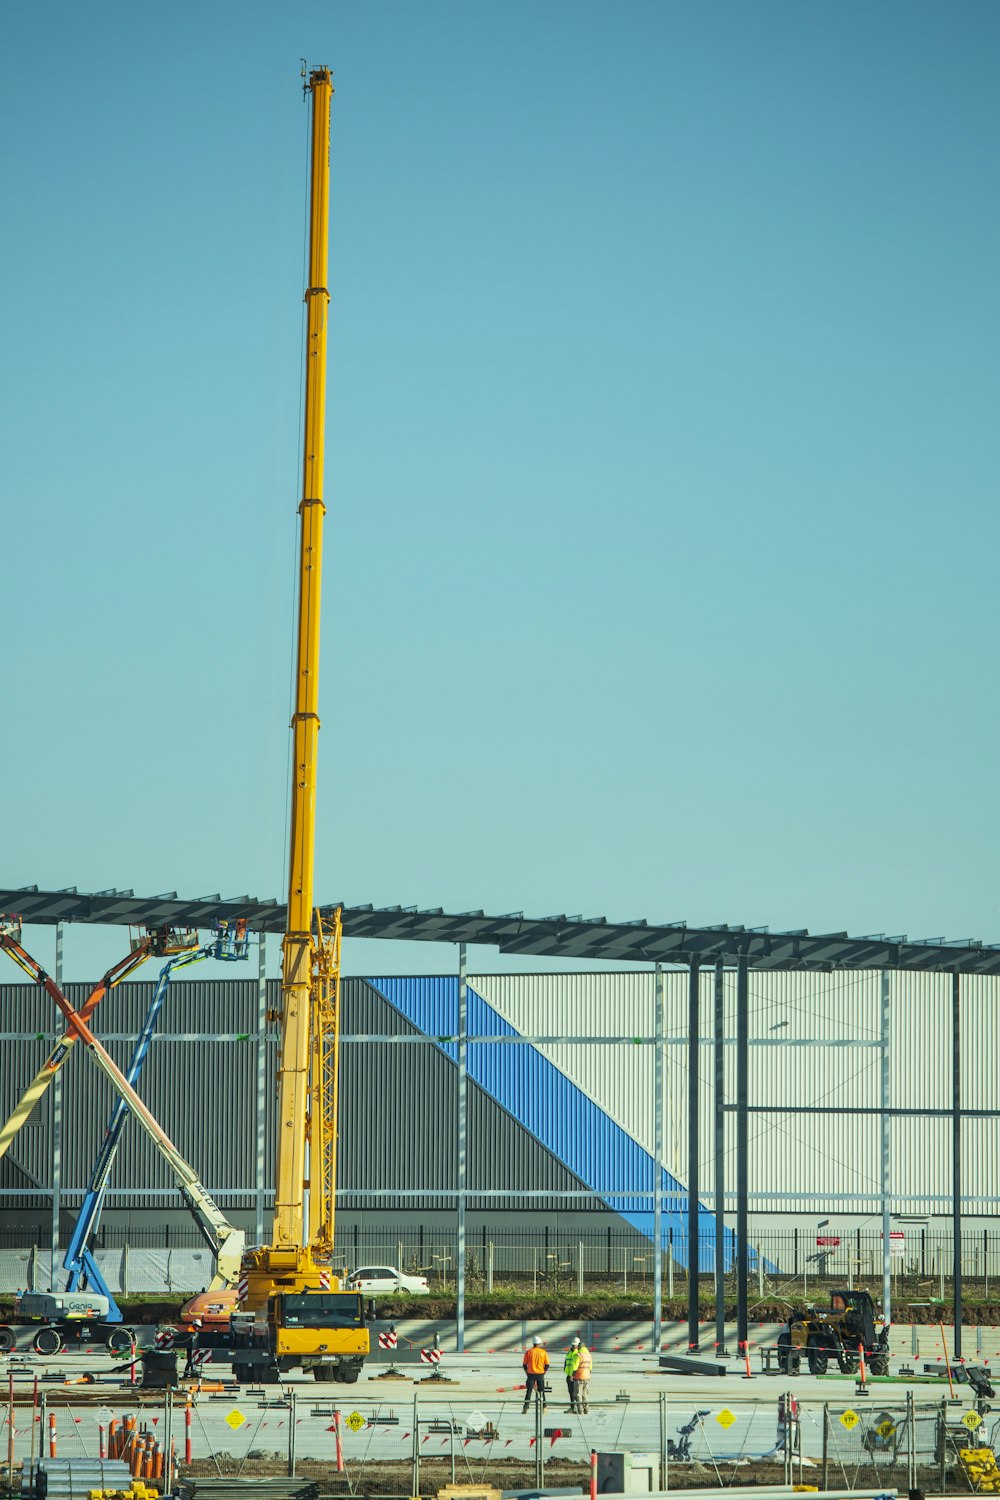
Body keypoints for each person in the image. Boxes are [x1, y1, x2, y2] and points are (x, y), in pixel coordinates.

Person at [522, 1336, 549, 1413]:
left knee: (529, 1392)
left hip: (530, 1374)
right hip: (540, 1374)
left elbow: (524, 1365)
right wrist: (543, 1373)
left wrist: (527, 1373)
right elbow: (547, 1365)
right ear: (539, 1343)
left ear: (533, 1343)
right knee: (542, 1392)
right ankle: (544, 1408)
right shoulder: (543, 1352)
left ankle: (525, 1408)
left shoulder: (529, 1352)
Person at [574, 1337, 593, 1413]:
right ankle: (586, 1409)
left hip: (579, 1377)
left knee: (578, 1394)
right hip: (587, 1377)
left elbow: (575, 1367)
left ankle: (580, 1409)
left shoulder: (578, 1355)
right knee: (585, 1394)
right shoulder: (589, 1355)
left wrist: (572, 1375)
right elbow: (590, 1368)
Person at [564, 1338, 582, 1409]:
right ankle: (572, 1407)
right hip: (569, 1375)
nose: (574, 1347)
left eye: (576, 1345)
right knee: (571, 1392)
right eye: (573, 1345)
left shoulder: (578, 1353)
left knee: (576, 1393)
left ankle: (578, 1407)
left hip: (576, 1376)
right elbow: (566, 1362)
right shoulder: (569, 1352)